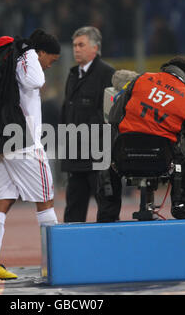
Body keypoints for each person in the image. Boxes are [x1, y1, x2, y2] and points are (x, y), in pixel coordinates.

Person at [0, 30, 60, 280]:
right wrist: (30, 53)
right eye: (52, 58)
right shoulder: (27, 57)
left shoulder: (8, 61)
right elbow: (36, 82)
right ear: (40, 52)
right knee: (46, 198)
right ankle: (57, 261)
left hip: (2, 142)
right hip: (24, 143)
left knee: (2, 201)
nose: (51, 64)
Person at [107, 55, 185, 220]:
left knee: (106, 168)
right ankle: (183, 210)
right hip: (162, 160)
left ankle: (108, 216)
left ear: (165, 68)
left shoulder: (141, 79)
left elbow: (114, 117)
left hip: (125, 156)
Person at [60, 26, 115, 223]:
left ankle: (108, 248)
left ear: (95, 48)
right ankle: (70, 251)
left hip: (98, 155)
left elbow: (108, 114)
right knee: (73, 207)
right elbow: (67, 111)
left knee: (106, 207)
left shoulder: (107, 73)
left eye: (81, 45)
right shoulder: (74, 74)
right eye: (74, 45)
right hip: (76, 155)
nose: (76, 49)